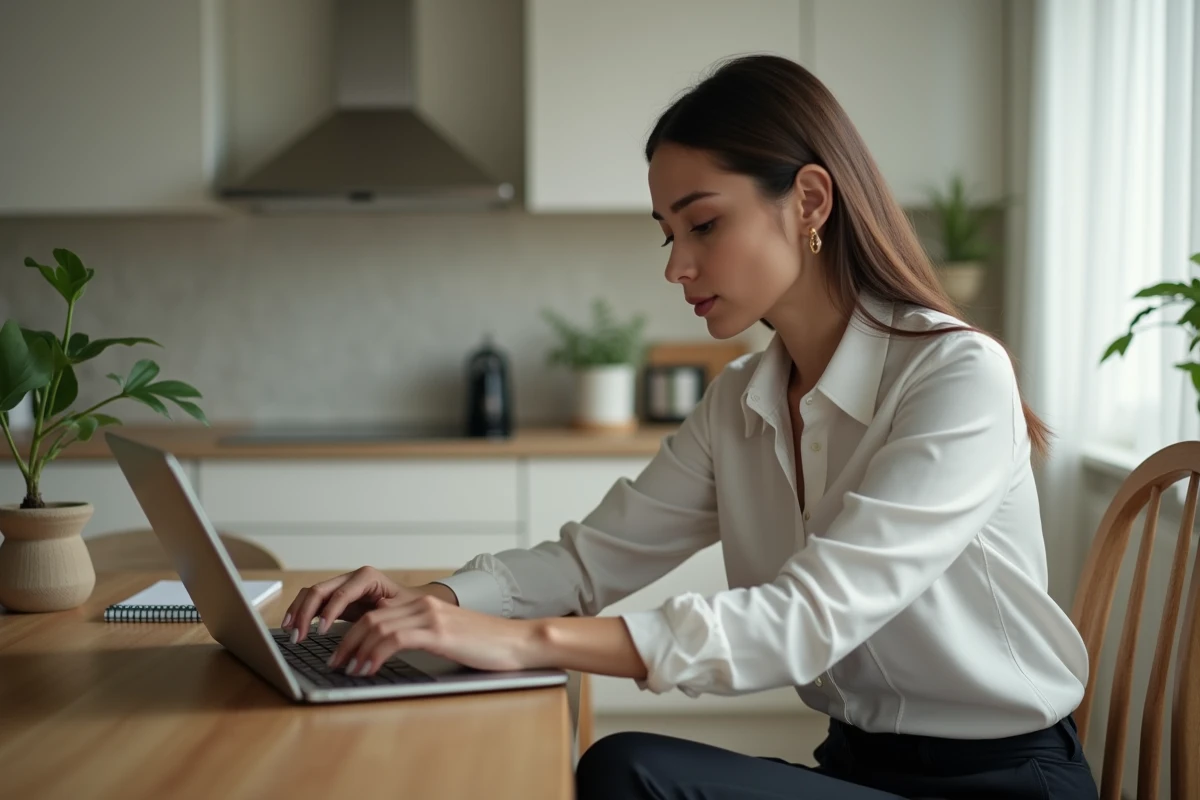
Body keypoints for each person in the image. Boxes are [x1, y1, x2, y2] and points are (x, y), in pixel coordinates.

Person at [281, 55, 1100, 799]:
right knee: (625, 768)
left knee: (625, 772)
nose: (676, 266)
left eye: (702, 224)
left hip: (1005, 784)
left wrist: (519, 640)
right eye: (668, 234)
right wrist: (437, 601)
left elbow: (807, 620)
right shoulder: (739, 398)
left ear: (810, 200)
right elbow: (589, 558)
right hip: (857, 769)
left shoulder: (956, 377)